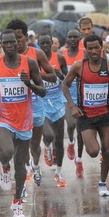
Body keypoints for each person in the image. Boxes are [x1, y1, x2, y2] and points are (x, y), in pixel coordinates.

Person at [0, 29, 45, 217]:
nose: (8, 46)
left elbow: (42, 92)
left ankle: (17, 203)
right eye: (4, 43)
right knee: (6, 152)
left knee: (21, 163)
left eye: (11, 42)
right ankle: (4, 167)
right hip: (2, 117)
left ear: (18, 43)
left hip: (24, 119)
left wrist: (29, 84)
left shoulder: (29, 63)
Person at [63, 34, 109, 196]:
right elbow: (65, 84)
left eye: (96, 47)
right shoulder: (79, 66)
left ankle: (102, 183)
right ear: (85, 49)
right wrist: (72, 105)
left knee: (107, 150)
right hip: (86, 116)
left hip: (105, 114)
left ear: (102, 48)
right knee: (93, 151)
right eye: (90, 48)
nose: (93, 51)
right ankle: (93, 158)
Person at [5, 19, 56, 189]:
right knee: (20, 145)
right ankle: (25, 169)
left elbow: (53, 76)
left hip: (35, 106)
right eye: (11, 40)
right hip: (15, 109)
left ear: (26, 37)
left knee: (35, 144)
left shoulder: (37, 54)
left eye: (18, 38)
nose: (15, 43)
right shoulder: (2, 60)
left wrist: (35, 77)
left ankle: (35, 165)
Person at [38, 33, 68, 187]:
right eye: (41, 43)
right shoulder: (34, 60)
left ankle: (59, 172)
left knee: (59, 140)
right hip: (42, 102)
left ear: (52, 43)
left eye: (47, 42)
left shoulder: (60, 58)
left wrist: (60, 75)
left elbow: (67, 78)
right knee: (48, 135)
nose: (45, 45)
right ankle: (47, 147)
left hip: (57, 102)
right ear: (38, 44)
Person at [62, 29, 86, 177]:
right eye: (69, 37)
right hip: (67, 96)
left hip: (83, 96)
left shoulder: (85, 53)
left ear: (79, 38)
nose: (72, 39)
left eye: (75, 37)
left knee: (81, 130)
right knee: (71, 124)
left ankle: (79, 160)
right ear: (66, 39)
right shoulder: (62, 55)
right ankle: (70, 142)